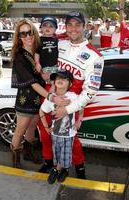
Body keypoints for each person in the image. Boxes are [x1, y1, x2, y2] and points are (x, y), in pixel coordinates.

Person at [38, 11, 104, 179]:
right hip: (50, 96)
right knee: (45, 136)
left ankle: (79, 169)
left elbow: (91, 91)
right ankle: (49, 164)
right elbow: (40, 47)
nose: (73, 29)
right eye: (70, 25)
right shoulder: (59, 43)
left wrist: (68, 109)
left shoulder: (96, 56)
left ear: (84, 27)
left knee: (72, 141)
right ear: (65, 27)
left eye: (77, 24)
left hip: (71, 104)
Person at [11, 19, 50, 168]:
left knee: (32, 128)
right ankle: (15, 160)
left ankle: (28, 153)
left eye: (30, 32)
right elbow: (32, 82)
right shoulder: (19, 56)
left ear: (34, 32)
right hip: (25, 99)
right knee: (20, 130)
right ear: (19, 37)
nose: (28, 36)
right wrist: (50, 96)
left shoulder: (38, 50)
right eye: (23, 34)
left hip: (38, 98)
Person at [40, 70, 83, 184]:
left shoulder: (73, 96)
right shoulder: (51, 98)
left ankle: (57, 170)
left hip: (69, 134)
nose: (60, 80)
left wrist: (79, 120)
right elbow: (42, 111)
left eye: (64, 79)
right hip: (55, 134)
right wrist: (45, 126)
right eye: (58, 78)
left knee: (66, 154)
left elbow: (81, 106)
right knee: (58, 153)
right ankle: (63, 170)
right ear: (54, 82)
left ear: (70, 84)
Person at [34, 16, 58, 81]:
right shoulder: (39, 40)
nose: (48, 28)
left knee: (54, 83)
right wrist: (37, 63)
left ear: (55, 29)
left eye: (51, 26)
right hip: (44, 68)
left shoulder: (57, 40)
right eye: (45, 25)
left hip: (55, 67)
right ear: (41, 27)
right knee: (45, 82)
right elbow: (37, 53)